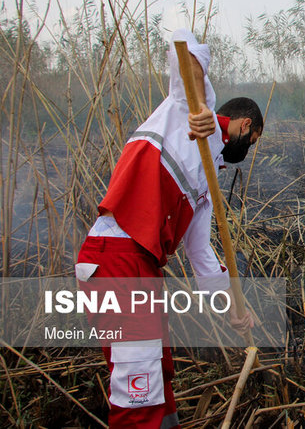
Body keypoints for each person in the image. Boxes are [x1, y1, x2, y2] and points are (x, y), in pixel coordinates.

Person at [74, 29, 263, 428]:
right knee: (138, 391)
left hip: (143, 269)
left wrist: (233, 308)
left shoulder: (206, 184)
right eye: (254, 139)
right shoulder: (188, 112)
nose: (250, 148)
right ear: (244, 125)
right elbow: (185, 50)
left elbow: (202, 257)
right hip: (116, 261)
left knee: (159, 373)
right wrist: (199, 111)